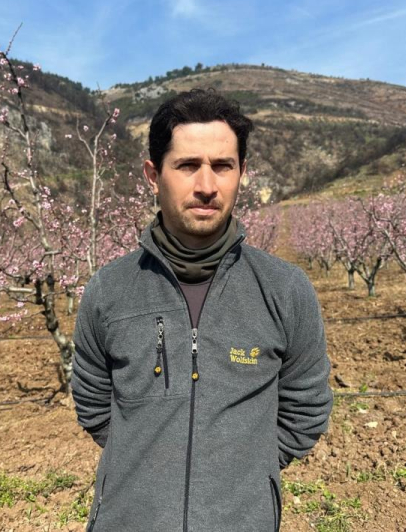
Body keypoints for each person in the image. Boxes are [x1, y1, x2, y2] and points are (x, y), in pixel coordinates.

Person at [72, 89, 333, 532]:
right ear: (153, 175)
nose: (207, 186)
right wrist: (141, 469)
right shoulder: (109, 291)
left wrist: (249, 472)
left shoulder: (285, 289)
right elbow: (93, 403)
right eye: (188, 165)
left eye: (223, 166)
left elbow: (306, 406)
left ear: (242, 173)